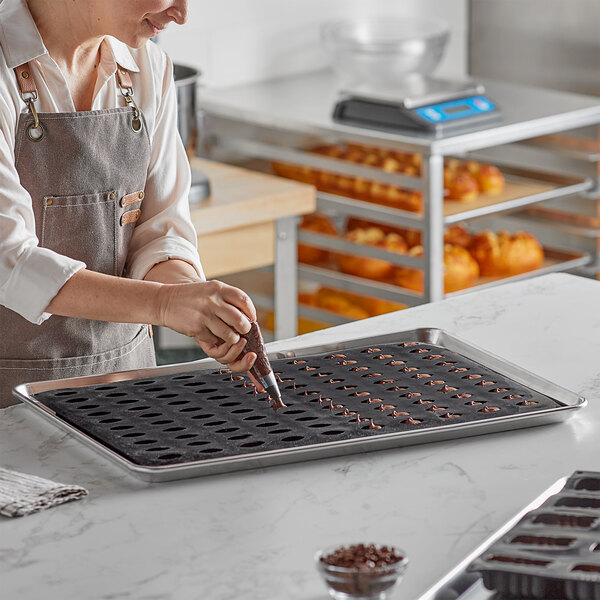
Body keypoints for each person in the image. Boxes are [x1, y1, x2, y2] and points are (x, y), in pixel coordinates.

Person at [0, 0, 257, 408]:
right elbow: (7, 257)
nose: (181, 13)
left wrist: (194, 301)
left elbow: (159, 231)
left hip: (128, 392)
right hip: (10, 404)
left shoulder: (148, 68)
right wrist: (163, 304)